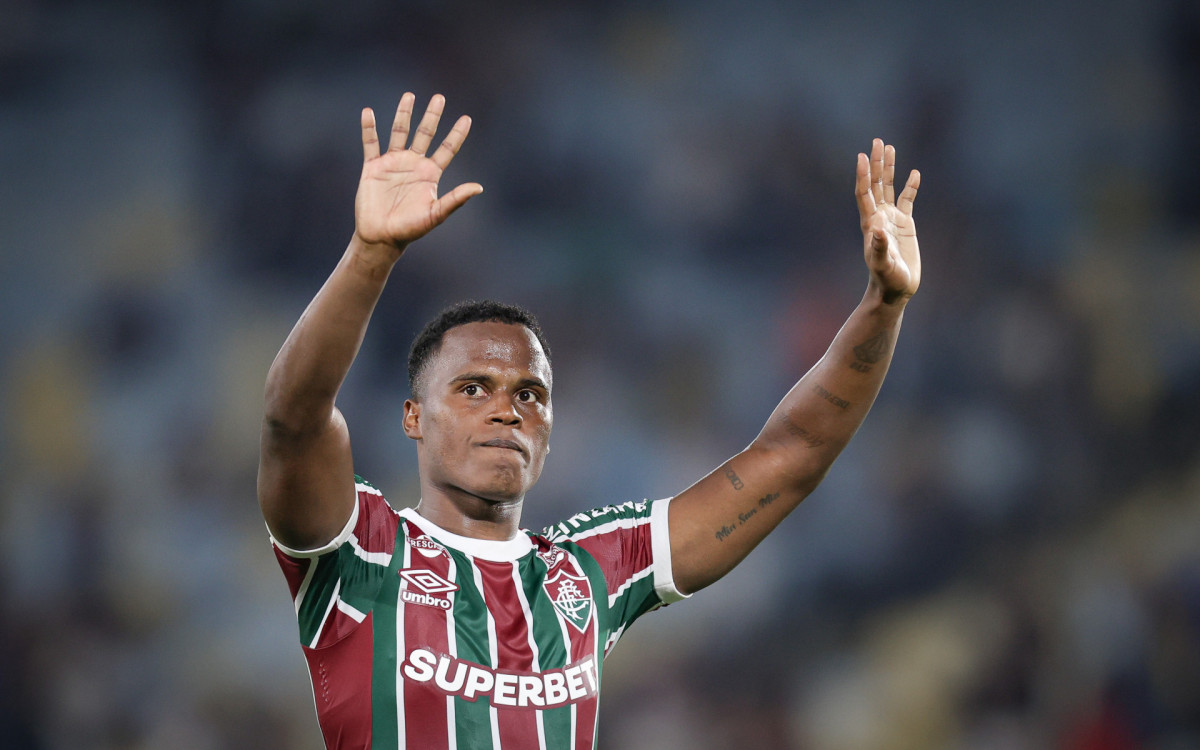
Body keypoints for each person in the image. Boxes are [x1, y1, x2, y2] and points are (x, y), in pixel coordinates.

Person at [258, 92, 921, 750]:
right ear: (413, 418)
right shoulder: (360, 551)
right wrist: (370, 255)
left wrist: (882, 305)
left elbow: (792, 455)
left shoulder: (590, 572)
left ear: (548, 429)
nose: (506, 409)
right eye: (471, 387)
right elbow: (294, 420)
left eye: (530, 394)